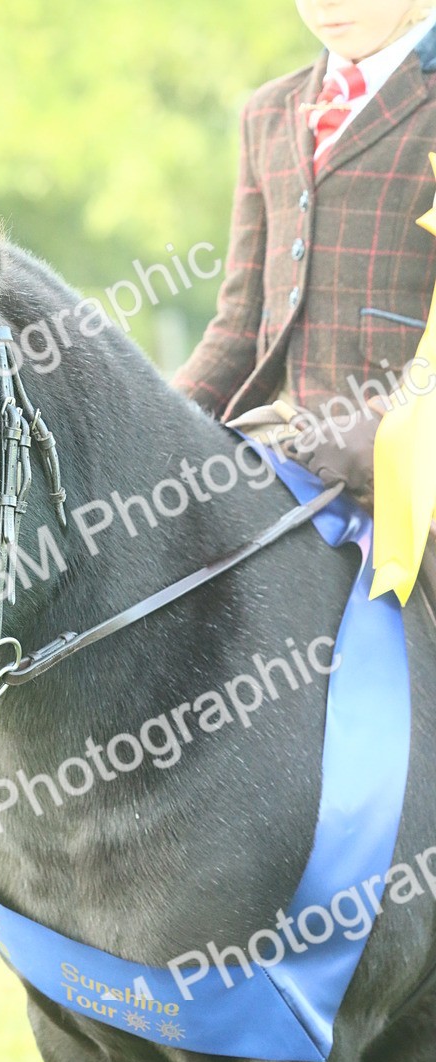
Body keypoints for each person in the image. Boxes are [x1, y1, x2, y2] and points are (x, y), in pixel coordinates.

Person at [173, 0, 436, 617]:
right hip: (285, 447)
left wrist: (387, 430)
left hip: (410, 470)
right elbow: (240, 325)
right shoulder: (268, 110)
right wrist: (154, 419)